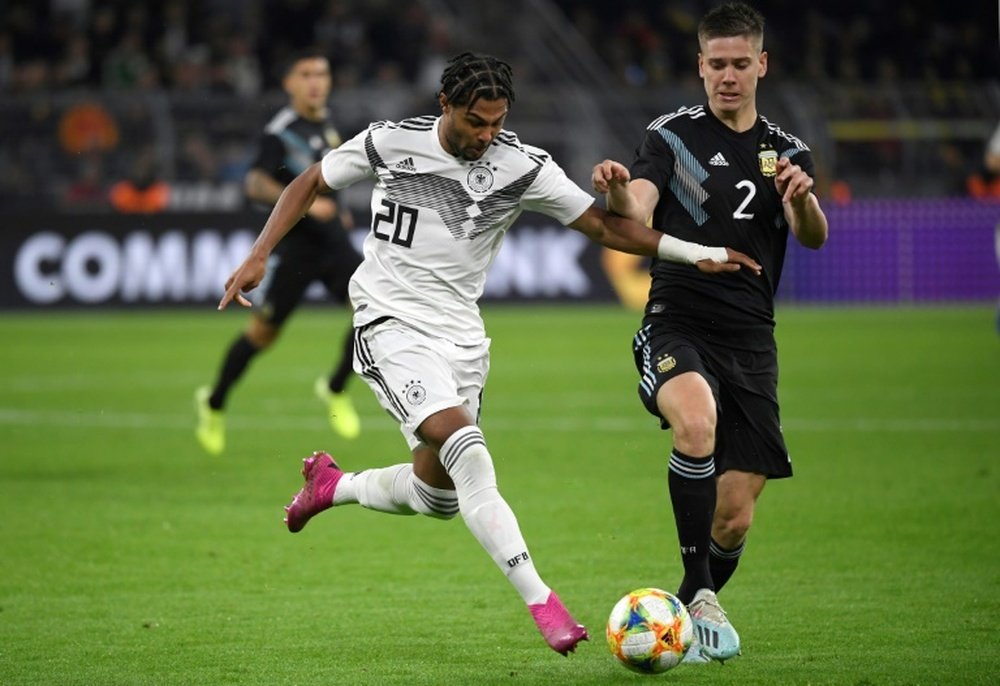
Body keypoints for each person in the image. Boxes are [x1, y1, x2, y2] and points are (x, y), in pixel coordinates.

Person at [218, 52, 760, 656]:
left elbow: (606, 228)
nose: (487, 135)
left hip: (462, 341)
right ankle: (543, 602)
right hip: (388, 321)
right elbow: (312, 179)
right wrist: (261, 251)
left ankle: (332, 486)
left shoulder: (521, 166)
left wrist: (693, 251)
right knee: (466, 450)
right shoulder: (391, 142)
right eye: (477, 122)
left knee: (438, 494)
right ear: (445, 105)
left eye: (498, 122)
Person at [592, 2, 828, 664]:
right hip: (678, 319)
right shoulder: (671, 138)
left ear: (762, 65)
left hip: (752, 337)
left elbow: (812, 237)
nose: (728, 76)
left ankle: (682, 610)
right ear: (700, 66)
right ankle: (698, 591)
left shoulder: (787, 152)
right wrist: (615, 192)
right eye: (716, 64)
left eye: (739, 64)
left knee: (735, 516)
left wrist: (803, 200)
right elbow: (636, 209)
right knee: (696, 425)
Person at [195, 50, 362, 455]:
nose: (315, 82)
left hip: (335, 247)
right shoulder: (279, 132)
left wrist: (338, 212)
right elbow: (254, 185)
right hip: (298, 253)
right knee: (262, 336)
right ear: (288, 83)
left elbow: (328, 179)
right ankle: (214, 403)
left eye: (321, 73)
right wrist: (308, 204)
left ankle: (335, 387)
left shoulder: (328, 125)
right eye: (305, 74)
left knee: (375, 312)